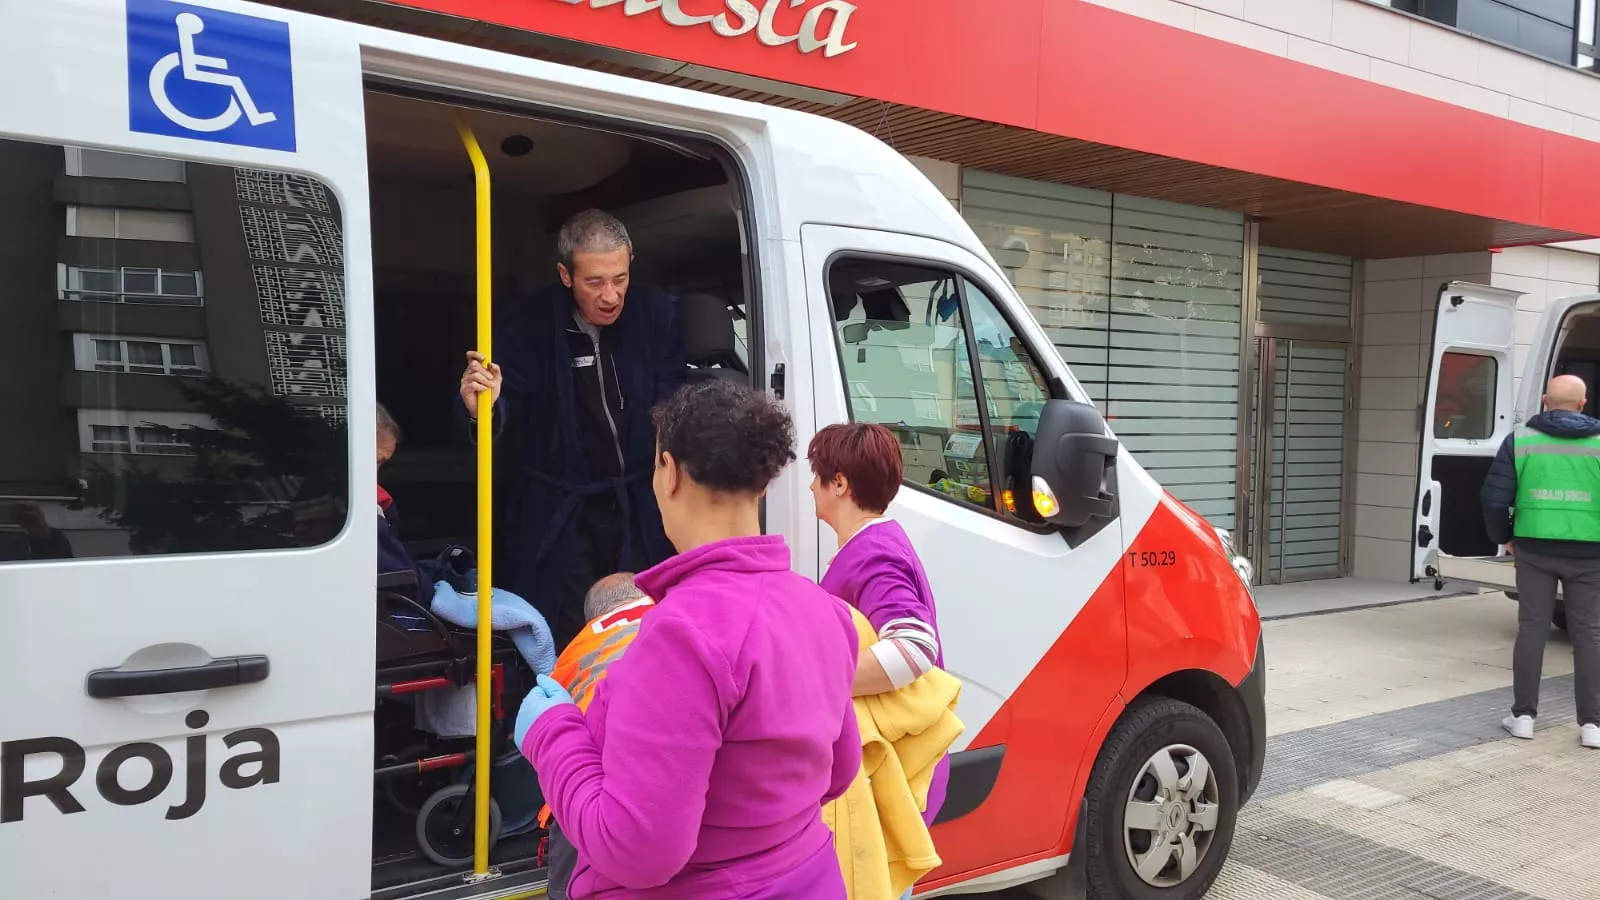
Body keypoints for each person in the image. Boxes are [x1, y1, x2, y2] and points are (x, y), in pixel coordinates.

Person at [513, 380, 861, 899]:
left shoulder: (680, 635)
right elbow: (839, 769)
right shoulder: (824, 610)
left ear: (669, 472)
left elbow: (636, 849)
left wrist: (552, 732)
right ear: (761, 484)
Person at [458, 209, 685, 649]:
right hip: (562, 509)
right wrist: (479, 409)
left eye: (620, 278)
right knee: (567, 627)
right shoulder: (526, 324)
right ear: (565, 275)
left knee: (643, 620)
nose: (610, 296)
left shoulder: (655, 313)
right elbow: (502, 398)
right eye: (594, 282)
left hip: (639, 503)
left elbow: (672, 398)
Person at [809, 422, 949, 826]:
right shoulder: (878, 541)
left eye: (817, 477)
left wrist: (817, 679)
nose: (810, 489)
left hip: (887, 777)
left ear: (839, 484)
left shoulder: (872, 553)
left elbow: (916, 646)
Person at [1482, 373, 1600, 749]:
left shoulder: (1520, 441)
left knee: (1531, 630)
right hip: (1590, 551)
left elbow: (1495, 500)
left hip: (1534, 549)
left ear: (1545, 401)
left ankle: (1523, 718)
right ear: (1583, 404)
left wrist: (1504, 537)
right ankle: (1592, 726)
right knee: (1590, 635)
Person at [540, 572, 656, 900]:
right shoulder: (674, 615)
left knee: (571, 794)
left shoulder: (576, 650)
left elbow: (554, 729)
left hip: (595, 775)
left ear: (594, 616)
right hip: (664, 769)